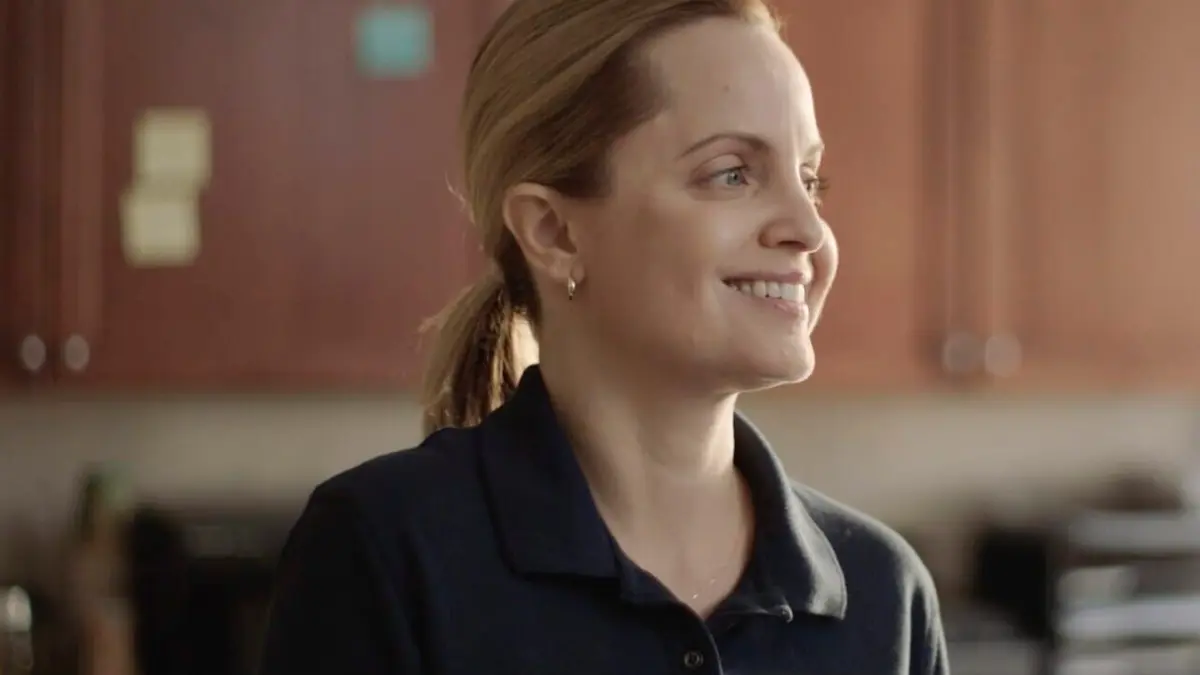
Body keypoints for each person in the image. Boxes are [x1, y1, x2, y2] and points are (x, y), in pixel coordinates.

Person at [259, 0, 950, 672]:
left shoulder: (886, 596)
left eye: (810, 179)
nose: (808, 229)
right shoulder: (384, 550)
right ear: (554, 232)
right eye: (732, 174)